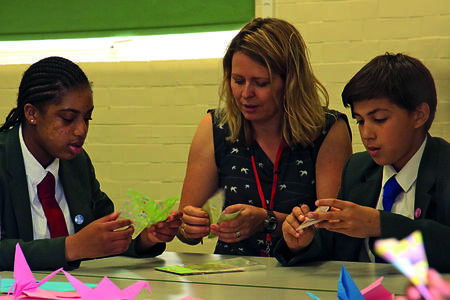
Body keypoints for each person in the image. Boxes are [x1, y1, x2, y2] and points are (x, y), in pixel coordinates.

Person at [177, 17, 352, 257]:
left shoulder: (327, 130)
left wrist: (267, 221)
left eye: (261, 83)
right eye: (238, 81)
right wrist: (190, 226)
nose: (245, 93)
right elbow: (184, 230)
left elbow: (334, 230)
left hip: (303, 274)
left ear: (290, 83)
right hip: (231, 276)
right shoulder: (216, 126)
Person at [0, 56, 182, 271]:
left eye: (87, 118)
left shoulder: (76, 161)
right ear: (32, 114)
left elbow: (101, 233)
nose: (81, 130)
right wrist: (71, 247)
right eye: (68, 118)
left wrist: (145, 240)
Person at [275, 53, 450, 272]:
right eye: (360, 121)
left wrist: (381, 225)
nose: (366, 134)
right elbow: (334, 245)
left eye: (379, 120)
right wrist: (302, 242)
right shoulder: (357, 168)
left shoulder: (444, 167)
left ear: (419, 115)